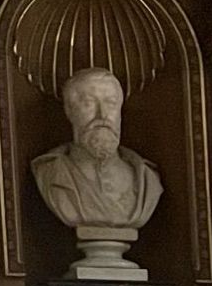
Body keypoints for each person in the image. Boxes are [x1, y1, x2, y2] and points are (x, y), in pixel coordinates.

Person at [30, 67, 164, 231]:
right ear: (69, 111)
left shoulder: (146, 178)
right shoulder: (51, 172)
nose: (102, 115)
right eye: (88, 103)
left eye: (111, 103)